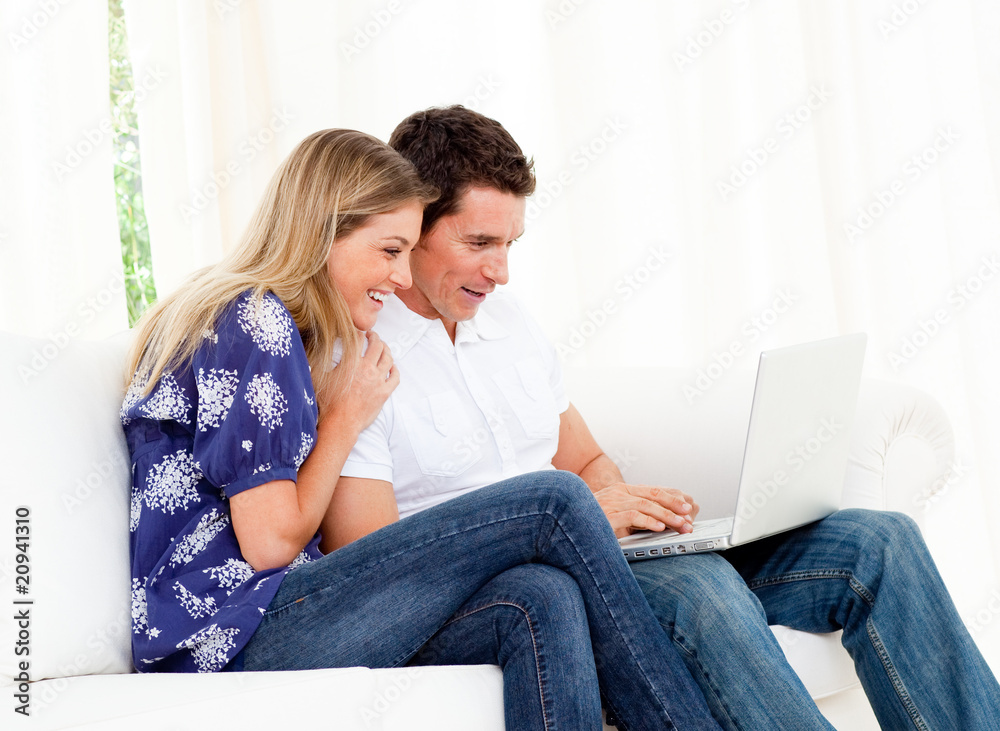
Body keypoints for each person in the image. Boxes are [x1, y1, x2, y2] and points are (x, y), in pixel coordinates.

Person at [330, 105, 1000, 730]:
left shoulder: (510, 325)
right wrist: (580, 522)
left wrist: (628, 510)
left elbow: (585, 459)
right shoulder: (359, 355)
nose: (500, 270)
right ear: (412, 224)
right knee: (699, 589)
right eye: (479, 242)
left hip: (604, 556)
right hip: (521, 584)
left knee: (879, 540)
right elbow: (378, 565)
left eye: (511, 243)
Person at [121, 128, 722, 730]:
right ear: (323, 233)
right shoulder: (255, 320)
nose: (403, 277)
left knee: (541, 596)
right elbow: (270, 543)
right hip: (230, 638)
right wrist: (347, 417)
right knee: (555, 499)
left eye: (408, 253)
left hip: (276, 616)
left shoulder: (286, 329)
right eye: (390, 251)